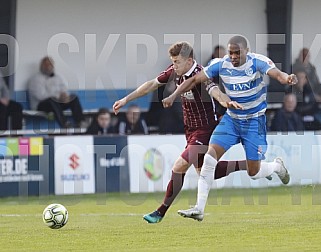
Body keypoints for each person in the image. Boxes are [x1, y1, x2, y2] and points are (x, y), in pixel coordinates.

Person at [162, 35, 297, 221]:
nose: (232, 56)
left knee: (254, 172)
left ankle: (276, 166)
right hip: (231, 120)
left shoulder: (257, 62)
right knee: (209, 159)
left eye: (237, 53)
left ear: (246, 52)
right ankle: (199, 209)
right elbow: (194, 80)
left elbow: (277, 74)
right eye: (230, 52)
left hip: (253, 123)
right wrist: (173, 95)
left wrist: (286, 78)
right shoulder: (220, 64)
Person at [113, 41, 248, 224]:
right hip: (190, 131)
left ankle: (160, 212)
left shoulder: (202, 75)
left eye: (177, 62)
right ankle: (249, 164)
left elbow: (216, 92)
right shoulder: (174, 72)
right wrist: (125, 99)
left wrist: (226, 102)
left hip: (206, 130)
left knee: (178, 167)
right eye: (173, 61)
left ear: (189, 60)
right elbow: (151, 85)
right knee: (207, 173)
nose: (174, 65)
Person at [27, 56, 86, 128]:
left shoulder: (58, 77)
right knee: (51, 100)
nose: (48, 66)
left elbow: (64, 88)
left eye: (50, 64)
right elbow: (41, 96)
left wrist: (65, 96)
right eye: (46, 64)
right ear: (41, 66)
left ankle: (81, 122)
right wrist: (58, 96)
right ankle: (65, 123)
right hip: (40, 105)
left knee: (73, 97)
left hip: (56, 103)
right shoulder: (35, 79)